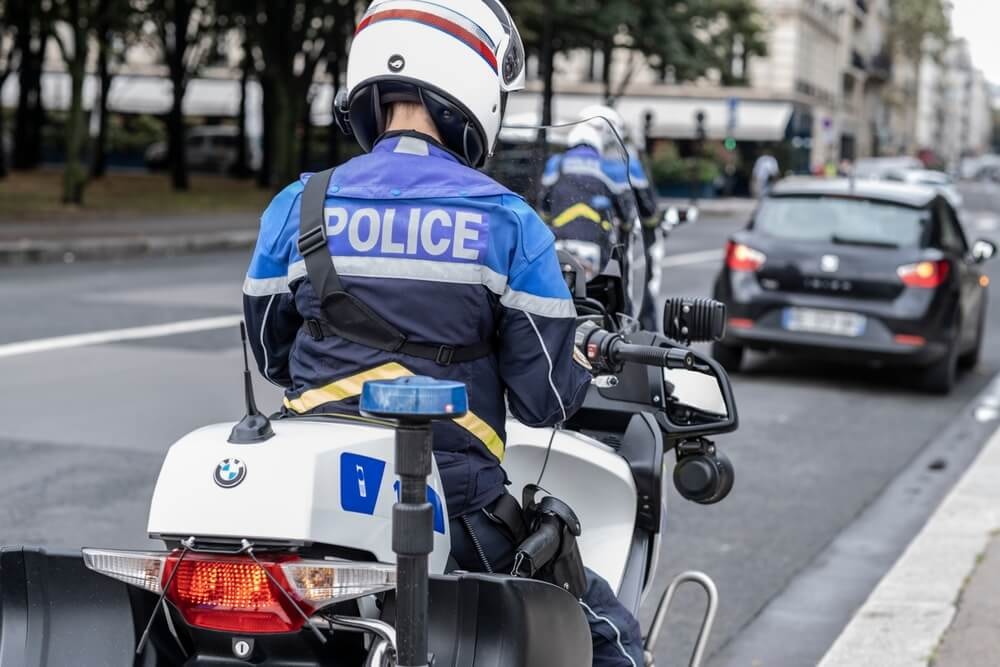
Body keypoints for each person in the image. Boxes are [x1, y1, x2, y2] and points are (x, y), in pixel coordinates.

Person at [241, 2, 644, 664]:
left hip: (305, 499)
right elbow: (546, 397)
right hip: (452, 504)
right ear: (477, 86)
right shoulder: (507, 222)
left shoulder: (299, 203)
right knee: (608, 635)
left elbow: (270, 354)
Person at [538, 122, 621, 279]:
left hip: (561, 238)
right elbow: (620, 206)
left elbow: (544, 204)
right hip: (596, 239)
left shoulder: (556, 163)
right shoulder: (606, 166)